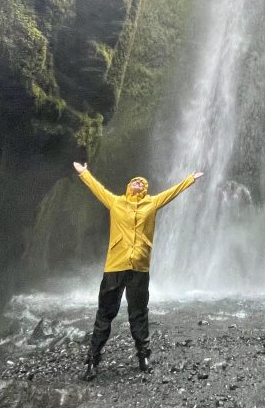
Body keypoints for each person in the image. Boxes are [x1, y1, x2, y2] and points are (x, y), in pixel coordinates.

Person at [73, 162, 203, 380]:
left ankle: (143, 355)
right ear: (127, 186)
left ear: (145, 188)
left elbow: (171, 193)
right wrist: (84, 173)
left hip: (139, 267)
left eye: (141, 182)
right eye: (134, 181)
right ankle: (93, 359)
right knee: (105, 313)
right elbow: (98, 189)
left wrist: (189, 180)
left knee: (139, 313)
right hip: (115, 265)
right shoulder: (116, 202)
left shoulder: (151, 203)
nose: (137, 183)